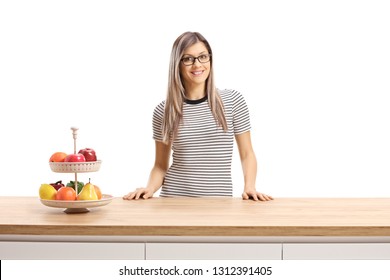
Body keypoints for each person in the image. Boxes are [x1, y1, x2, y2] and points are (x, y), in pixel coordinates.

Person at [123, 31, 272, 201]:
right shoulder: (164, 110)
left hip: (218, 203)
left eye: (203, 57)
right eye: (188, 59)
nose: (197, 64)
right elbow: (160, 165)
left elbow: (247, 154)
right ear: (177, 64)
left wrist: (249, 187)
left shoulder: (232, 101)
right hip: (173, 201)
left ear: (210, 59)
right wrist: (149, 188)